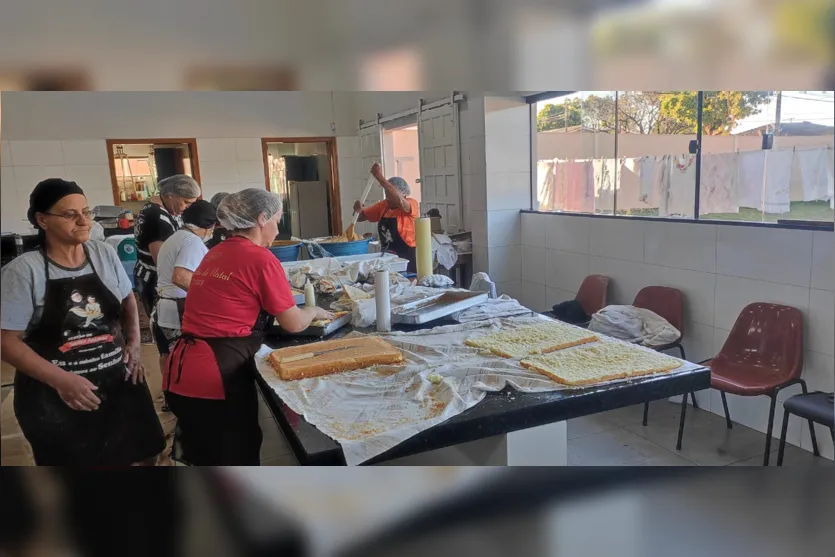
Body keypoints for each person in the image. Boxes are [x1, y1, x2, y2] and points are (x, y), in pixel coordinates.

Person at [0, 178, 164, 465]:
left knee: (142, 456)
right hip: (56, 395)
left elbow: (127, 299)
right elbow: (6, 341)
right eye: (69, 214)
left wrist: (135, 344)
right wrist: (61, 381)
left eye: (86, 212)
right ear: (42, 220)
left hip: (118, 382)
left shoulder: (103, 253)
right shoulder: (25, 271)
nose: (83, 221)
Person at [164, 188, 333, 465]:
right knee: (235, 457)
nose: (277, 230)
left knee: (201, 455)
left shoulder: (215, 253)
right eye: (277, 221)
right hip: (214, 375)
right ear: (261, 219)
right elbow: (292, 323)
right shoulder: (261, 259)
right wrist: (312, 310)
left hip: (183, 370)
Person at [151, 200, 216, 373]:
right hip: (176, 310)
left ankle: (169, 396)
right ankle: (181, 396)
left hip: (162, 309)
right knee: (183, 361)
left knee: (167, 356)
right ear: (209, 225)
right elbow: (180, 277)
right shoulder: (192, 241)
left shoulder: (176, 237)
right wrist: (210, 296)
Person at [133, 174, 201, 317]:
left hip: (154, 276)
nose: (187, 207)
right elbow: (162, 261)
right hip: (154, 280)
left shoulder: (162, 209)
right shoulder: (156, 216)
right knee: (165, 324)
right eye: (186, 202)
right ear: (170, 195)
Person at [354, 163, 419, 272]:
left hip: (408, 255)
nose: (387, 197)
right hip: (388, 256)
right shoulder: (383, 205)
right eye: (386, 194)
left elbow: (400, 202)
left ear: (401, 194)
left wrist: (378, 176)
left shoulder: (411, 204)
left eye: (389, 194)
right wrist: (357, 210)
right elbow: (360, 217)